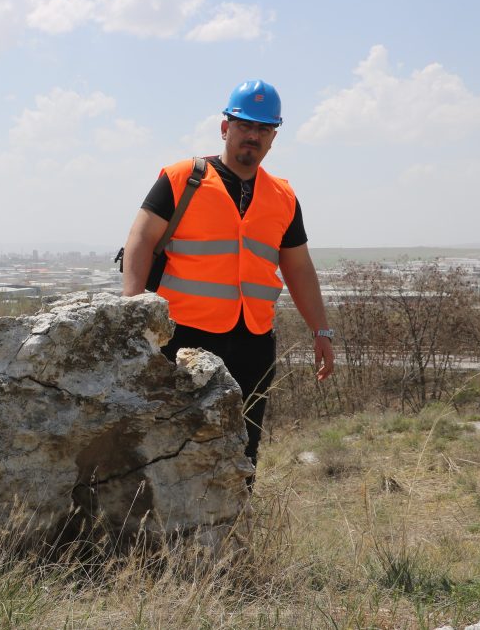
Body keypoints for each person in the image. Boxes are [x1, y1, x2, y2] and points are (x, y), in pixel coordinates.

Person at [121, 79, 334, 488]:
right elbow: (141, 239)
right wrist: (133, 309)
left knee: (243, 443)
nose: (253, 136)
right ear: (225, 128)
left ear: (273, 137)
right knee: (174, 438)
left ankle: (232, 535)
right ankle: (165, 538)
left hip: (253, 340)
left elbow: (299, 269)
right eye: (244, 125)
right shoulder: (183, 178)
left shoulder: (283, 196)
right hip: (183, 336)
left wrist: (321, 329)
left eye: (264, 129)